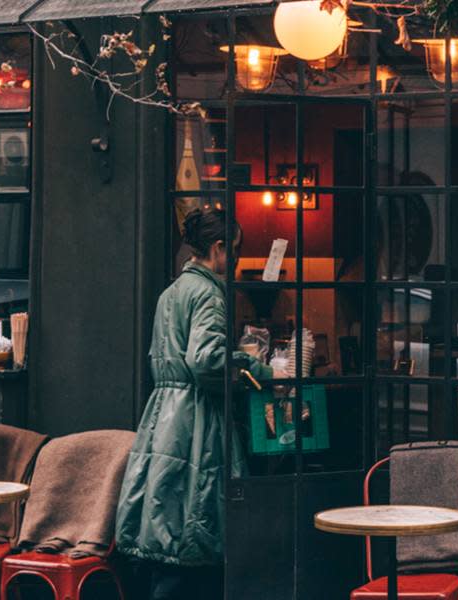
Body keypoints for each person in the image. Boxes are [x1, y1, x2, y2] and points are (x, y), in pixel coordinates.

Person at [115, 207, 272, 600]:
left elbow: (165, 355)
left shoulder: (172, 292)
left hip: (163, 415)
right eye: (233, 251)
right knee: (196, 520)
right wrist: (255, 369)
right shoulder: (208, 293)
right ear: (218, 249)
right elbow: (206, 361)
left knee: (167, 516)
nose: (234, 261)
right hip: (197, 418)